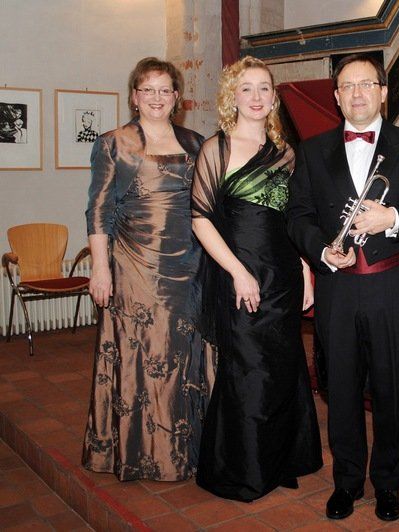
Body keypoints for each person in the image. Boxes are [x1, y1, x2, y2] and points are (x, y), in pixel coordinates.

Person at [287, 53, 399, 521]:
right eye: (347, 86)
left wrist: (391, 217)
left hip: (390, 287)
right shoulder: (313, 151)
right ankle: (347, 481)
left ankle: (388, 484)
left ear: (383, 92)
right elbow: (297, 216)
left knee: (393, 390)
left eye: (366, 84)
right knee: (340, 390)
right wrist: (321, 250)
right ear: (337, 98)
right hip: (338, 288)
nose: (357, 93)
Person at [191, 55, 322, 502]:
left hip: (283, 275)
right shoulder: (217, 148)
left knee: (283, 367)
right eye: (246, 88)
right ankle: (244, 470)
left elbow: (293, 219)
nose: (256, 96)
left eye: (264, 88)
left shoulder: (286, 152)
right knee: (248, 371)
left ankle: (280, 460)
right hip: (240, 275)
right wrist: (237, 272)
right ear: (232, 96)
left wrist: (304, 268)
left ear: (273, 97)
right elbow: (200, 220)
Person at [82, 57, 207, 481]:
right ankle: (143, 452)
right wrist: (100, 269)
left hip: (190, 265)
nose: (156, 97)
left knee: (183, 353)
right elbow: (98, 211)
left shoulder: (196, 143)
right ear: (134, 96)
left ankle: (186, 450)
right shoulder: (113, 143)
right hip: (134, 266)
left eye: (165, 90)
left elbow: (209, 206)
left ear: (177, 97)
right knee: (145, 354)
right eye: (148, 89)